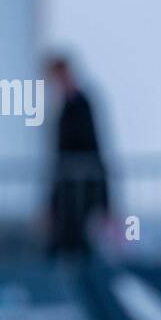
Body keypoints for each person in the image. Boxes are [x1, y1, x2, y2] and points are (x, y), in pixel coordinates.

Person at [45, 56, 109, 259]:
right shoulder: (63, 107)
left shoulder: (81, 106)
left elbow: (93, 149)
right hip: (67, 193)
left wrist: (104, 201)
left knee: (82, 247)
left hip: (83, 192)